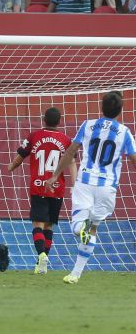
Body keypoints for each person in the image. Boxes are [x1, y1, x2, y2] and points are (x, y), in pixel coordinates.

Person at [44, 91, 136, 284]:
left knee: (78, 227)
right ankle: (75, 274)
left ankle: (81, 229)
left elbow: (72, 150)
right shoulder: (124, 132)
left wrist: (55, 175)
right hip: (107, 187)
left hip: (85, 182)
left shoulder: (88, 125)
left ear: (101, 106)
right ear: (120, 110)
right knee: (93, 228)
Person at [6, 108, 77, 274]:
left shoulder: (33, 136)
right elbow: (72, 162)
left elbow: (20, 156)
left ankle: (41, 255)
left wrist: (10, 167)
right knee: (49, 226)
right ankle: (42, 262)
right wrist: (74, 185)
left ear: (43, 119)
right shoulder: (67, 140)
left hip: (38, 186)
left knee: (37, 224)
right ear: (59, 121)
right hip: (57, 188)